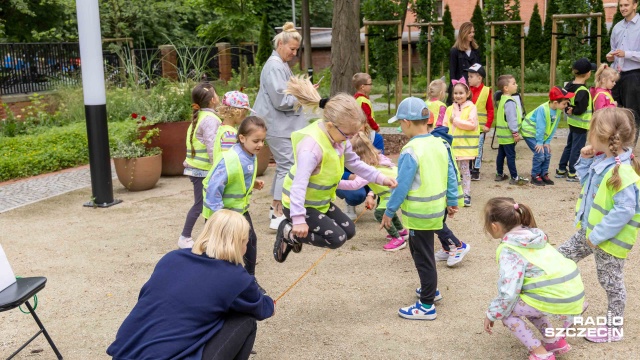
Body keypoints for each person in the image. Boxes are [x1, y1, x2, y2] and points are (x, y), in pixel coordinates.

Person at [107, 210, 275, 360]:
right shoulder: (236, 277)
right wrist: (270, 303)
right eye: (246, 242)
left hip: (124, 352)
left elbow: (147, 297)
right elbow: (262, 309)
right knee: (246, 320)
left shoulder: (172, 258)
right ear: (239, 242)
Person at [272, 75, 397, 263]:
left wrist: (380, 178)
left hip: (319, 202)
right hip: (299, 205)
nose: (351, 138)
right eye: (348, 134)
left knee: (349, 231)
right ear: (330, 125)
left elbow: (355, 163)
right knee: (336, 239)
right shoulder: (311, 149)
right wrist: (298, 219)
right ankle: (289, 232)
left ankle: (296, 230)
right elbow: (299, 185)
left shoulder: (340, 138)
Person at [557, 107, 640, 342]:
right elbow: (586, 183)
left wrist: (597, 236)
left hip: (607, 240)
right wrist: (584, 159)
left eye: (591, 131)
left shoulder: (621, 171)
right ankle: (574, 301)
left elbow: (624, 211)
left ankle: (613, 328)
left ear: (602, 136)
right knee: (560, 259)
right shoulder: (604, 160)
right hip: (590, 232)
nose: (588, 135)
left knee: (611, 283)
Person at [383, 97, 459, 320]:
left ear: (406, 122)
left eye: (399, 123)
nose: (400, 127)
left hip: (419, 214)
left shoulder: (410, 150)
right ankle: (429, 289)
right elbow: (451, 175)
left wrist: (389, 211)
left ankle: (426, 304)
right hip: (437, 209)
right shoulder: (439, 143)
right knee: (423, 252)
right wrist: (452, 201)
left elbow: (401, 185)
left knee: (422, 255)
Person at [483, 197, 585, 360]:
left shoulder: (510, 249)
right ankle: (554, 341)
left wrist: (492, 313)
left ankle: (540, 353)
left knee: (507, 311)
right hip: (572, 293)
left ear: (494, 226)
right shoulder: (535, 236)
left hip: (556, 298)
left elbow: (508, 293)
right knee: (528, 302)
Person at [202, 116, 267, 292]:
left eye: (262, 140)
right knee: (219, 251)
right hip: (221, 215)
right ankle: (216, 286)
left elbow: (238, 175)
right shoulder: (230, 158)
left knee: (250, 243)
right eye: (256, 141)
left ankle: (249, 281)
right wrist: (219, 218)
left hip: (239, 211)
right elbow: (213, 188)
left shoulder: (249, 154)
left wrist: (252, 182)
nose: (260, 145)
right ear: (242, 138)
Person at [253, 22, 306, 230]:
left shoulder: (280, 64)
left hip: (280, 125)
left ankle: (276, 208)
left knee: (286, 166)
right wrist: (303, 96)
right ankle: (277, 211)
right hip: (277, 124)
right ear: (281, 44)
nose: (294, 53)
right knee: (287, 165)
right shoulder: (275, 65)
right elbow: (281, 100)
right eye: (292, 49)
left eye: (296, 49)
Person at [340, 132, 408, 251]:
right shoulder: (379, 159)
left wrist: (335, 184)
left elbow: (354, 185)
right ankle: (401, 231)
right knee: (386, 210)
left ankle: (397, 239)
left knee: (380, 213)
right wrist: (371, 194)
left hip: (392, 193)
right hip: (394, 190)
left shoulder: (366, 169)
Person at [179, 83, 221, 249]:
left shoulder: (202, 117)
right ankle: (185, 236)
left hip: (199, 169)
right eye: (216, 94)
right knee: (201, 205)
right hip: (202, 171)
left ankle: (208, 237)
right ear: (212, 100)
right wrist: (218, 167)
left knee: (206, 204)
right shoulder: (210, 120)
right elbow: (212, 147)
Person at [429, 125, 472, 267]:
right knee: (437, 220)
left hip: (443, 190)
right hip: (440, 189)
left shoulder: (439, 144)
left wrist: (452, 197)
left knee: (436, 222)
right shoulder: (440, 143)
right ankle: (447, 248)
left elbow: (451, 173)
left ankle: (458, 245)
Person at [521, 87, 574, 186]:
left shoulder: (558, 111)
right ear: (555, 103)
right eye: (564, 103)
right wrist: (540, 142)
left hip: (540, 136)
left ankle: (543, 174)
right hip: (530, 133)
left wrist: (547, 142)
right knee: (540, 153)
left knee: (547, 153)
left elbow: (553, 127)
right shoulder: (543, 109)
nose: (566, 106)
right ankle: (535, 175)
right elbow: (540, 127)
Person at [556, 58, 596, 182]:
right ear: (588, 73)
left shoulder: (569, 85)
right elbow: (581, 109)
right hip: (581, 124)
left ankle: (562, 169)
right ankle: (573, 172)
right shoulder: (583, 91)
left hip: (572, 122)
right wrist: (574, 109)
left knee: (569, 146)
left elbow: (566, 100)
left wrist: (569, 108)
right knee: (577, 148)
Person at [608, 0, 640, 142]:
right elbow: (614, 50)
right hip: (616, 76)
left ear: (635, 5)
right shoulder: (617, 27)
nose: (623, 8)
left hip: (634, 75)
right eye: (621, 5)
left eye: (626, 5)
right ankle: (617, 148)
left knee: (632, 114)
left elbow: (624, 52)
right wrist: (610, 56)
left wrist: (626, 54)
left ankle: (630, 149)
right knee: (614, 112)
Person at [445, 77, 478, 207]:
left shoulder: (471, 107)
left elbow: (472, 124)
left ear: (467, 94)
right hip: (452, 147)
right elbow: (444, 125)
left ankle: (466, 194)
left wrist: (456, 121)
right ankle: (454, 194)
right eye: (456, 93)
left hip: (465, 148)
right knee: (452, 172)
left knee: (465, 171)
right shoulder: (449, 109)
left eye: (461, 93)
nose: (458, 96)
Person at [495, 74, 528, 185]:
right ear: (506, 88)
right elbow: (511, 119)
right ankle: (514, 177)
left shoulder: (503, 99)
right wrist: (515, 133)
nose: (516, 85)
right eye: (513, 83)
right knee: (510, 156)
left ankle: (499, 174)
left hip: (502, 134)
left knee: (501, 154)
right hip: (509, 135)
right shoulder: (509, 102)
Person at [465, 63, 494, 181]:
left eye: (471, 76)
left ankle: (476, 170)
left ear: (479, 78)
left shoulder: (487, 91)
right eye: (468, 76)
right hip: (468, 126)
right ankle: (469, 168)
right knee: (468, 146)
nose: (468, 79)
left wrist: (488, 124)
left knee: (478, 148)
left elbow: (490, 109)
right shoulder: (466, 91)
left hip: (481, 128)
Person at [212, 91, 253, 163]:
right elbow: (229, 160)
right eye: (244, 114)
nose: (245, 117)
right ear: (237, 112)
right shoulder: (230, 134)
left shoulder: (221, 128)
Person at [447, 22, 482, 105]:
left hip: (474, 88)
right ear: (463, 33)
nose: (472, 34)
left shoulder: (476, 50)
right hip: (460, 90)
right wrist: (455, 91)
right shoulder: (454, 51)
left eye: (473, 32)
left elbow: (480, 70)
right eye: (469, 32)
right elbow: (452, 74)